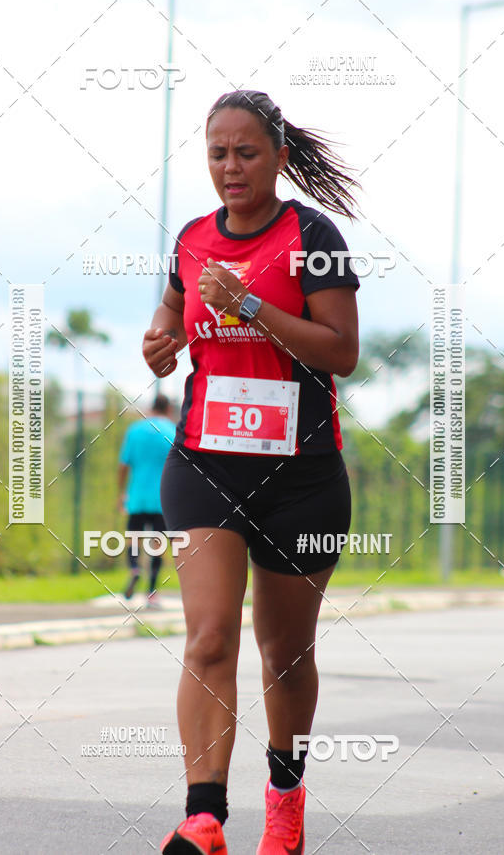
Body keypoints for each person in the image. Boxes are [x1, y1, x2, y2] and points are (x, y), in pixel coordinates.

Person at [143, 90, 361, 855]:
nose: (230, 168)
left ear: (279, 158)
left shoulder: (313, 235)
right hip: (205, 460)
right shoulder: (193, 238)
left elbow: (340, 352)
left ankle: (286, 794)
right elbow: (172, 316)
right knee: (207, 639)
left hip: (301, 474)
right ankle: (203, 816)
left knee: (285, 654)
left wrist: (251, 307)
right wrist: (161, 342)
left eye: (246, 153)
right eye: (216, 153)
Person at [117, 394, 176, 606]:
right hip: (162, 499)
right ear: (168, 409)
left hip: (137, 497)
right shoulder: (172, 432)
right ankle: (152, 592)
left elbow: (123, 465)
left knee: (134, 538)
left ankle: (134, 568)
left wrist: (121, 493)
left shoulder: (135, 430)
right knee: (157, 545)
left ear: (152, 408)